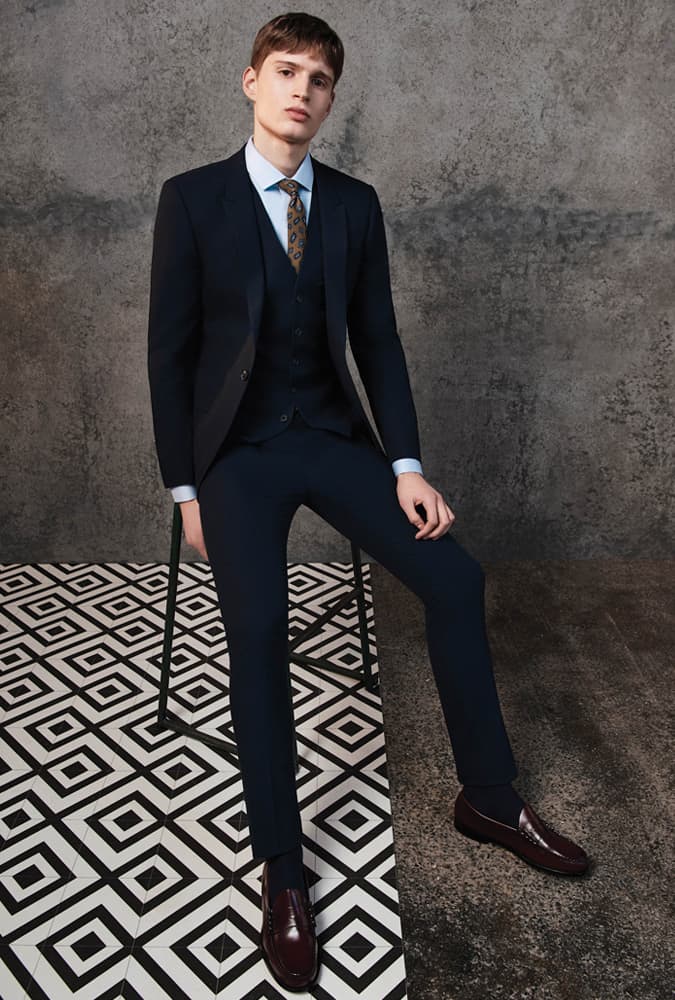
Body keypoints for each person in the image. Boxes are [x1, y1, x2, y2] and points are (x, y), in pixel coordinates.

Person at [147, 12, 589, 992]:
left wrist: (406, 464)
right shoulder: (192, 201)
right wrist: (185, 487)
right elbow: (168, 355)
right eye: (286, 71)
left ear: (331, 100)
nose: (302, 90)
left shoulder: (353, 205)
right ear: (251, 82)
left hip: (336, 439)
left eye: (320, 79)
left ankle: (489, 796)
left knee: (457, 576)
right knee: (258, 628)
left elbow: (379, 344)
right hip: (236, 456)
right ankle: (286, 873)